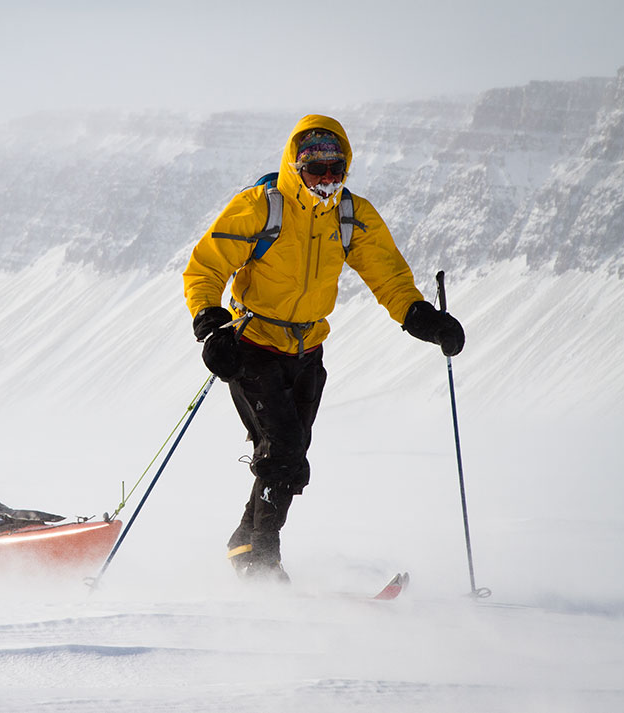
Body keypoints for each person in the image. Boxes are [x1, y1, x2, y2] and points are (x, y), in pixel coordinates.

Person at [182, 114, 465, 582]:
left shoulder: (351, 215)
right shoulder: (260, 207)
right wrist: (212, 327)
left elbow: (388, 275)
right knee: (285, 449)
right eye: (316, 169)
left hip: (308, 350)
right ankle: (263, 564)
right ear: (296, 165)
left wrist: (423, 319)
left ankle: (244, 546)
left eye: (336, 169)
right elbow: (205, 269)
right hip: (252, 344)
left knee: (288, 457)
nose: (327, 179)